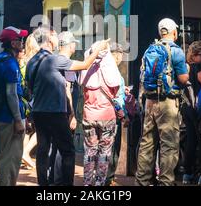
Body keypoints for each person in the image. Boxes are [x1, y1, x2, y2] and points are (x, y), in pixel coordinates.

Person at [26, 26, 110, 186]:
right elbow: (85, 65)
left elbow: (30, 88)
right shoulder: (55, 60)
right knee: (68, 151)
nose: (57, 39)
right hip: (55, 113)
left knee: (42, 151)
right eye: (55, 35)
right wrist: (98, 49)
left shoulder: (32, 61)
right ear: (50, 39)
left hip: (38, 112)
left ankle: (43, 185)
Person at [135, 18, 189, 186]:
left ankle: (141, 181)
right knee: (169, 145)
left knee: (147, 144)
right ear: (174, 32)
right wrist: (186, 70)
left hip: (150, 101)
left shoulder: (149, 49)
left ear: (160, 32)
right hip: (168, 103)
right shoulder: (177, 51)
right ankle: (166, 182)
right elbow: (182, 78)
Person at [0, 26, 27, 186]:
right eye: (20, 40)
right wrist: (18, 119)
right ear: (13, 43)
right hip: (9, 118)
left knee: (2, 157)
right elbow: (11, 93)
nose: (22, 42)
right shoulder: (10, 63)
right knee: (9, 161)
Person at [79, 39, 121, 186]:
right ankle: (100, 183)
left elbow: (82, 87)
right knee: (104, 152)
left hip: (89, 116)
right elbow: (115, 91)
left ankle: (87, 182)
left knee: (90, 151)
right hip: (107, 117)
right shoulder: (110, 68)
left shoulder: (86, 69)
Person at [182, 41, 201, 186]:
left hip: (186, 107)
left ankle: (187, 174)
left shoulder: (185, 68)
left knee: (190, 141)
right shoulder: (197, 67)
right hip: (197, 108)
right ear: (194, 55)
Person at [105, 43, 130, 186]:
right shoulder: (112, 70)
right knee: (112, 148)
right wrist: (122, 115)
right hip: (113, 114)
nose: (121, 57)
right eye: (120, 54)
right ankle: (108, 179)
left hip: (109, 113)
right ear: (116, 55)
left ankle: (109, 178)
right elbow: (113, 97)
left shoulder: (107, 70)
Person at [21, 34, 40, 170]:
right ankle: (26, 152)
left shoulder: (22, 60)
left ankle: (24, 157)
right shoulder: (36, 61)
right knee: (41, 129)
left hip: (22, 101)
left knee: (27, 130)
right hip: (34, 100)